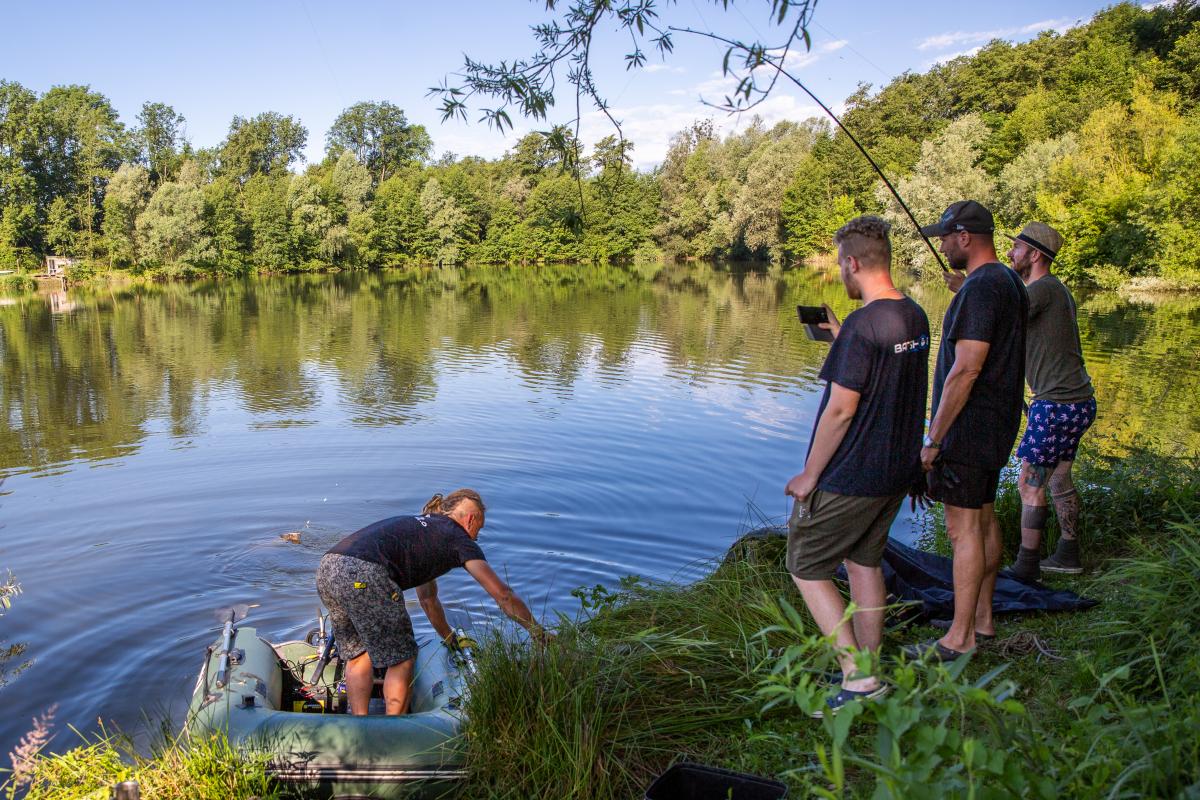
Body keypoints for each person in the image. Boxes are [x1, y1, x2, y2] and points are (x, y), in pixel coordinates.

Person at [784, 215, 930, 715]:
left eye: (840, 267)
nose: (840, 278)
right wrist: (842, 338)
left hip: (853, 474)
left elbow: (842, 409)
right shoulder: (913, 316)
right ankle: (869, 661)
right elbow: (883, 366)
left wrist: (809, 476)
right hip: (896, 470)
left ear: (851, 263)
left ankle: (858, 680)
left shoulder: (863, 330)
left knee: (804, 565)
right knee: (864, 561)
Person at [903, 200, 1027, 662]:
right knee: (985, 518)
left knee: (963, 531)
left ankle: (959, 638)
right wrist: (964, 290)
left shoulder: (981, 289)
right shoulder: (1005, 281)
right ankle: (982, 618)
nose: (941, 244)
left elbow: (967, 369)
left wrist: (933, 439)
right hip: (995, 426)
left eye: (944, 237)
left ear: (965, 237)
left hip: (968, 429)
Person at [316, 489, 548, 715]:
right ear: (471, 519)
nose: (477, 536)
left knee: (358, 655)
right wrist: (537, 631)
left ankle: (360, 725)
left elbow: (427, 598)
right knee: (402, 658)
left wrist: (449, 637)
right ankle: (390, 731)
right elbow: (503, 595)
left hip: (329, 567)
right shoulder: (459, 539)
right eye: (480, 528)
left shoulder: (424, 530)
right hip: (365, 572)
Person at [1005, 222, 1096, 581]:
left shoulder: (1041, 290)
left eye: (1015, 248)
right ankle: (1068, 553)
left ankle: (1027, 567)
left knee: (1030, 482)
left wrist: (967, 289)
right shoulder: (1056, 290)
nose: (1010, 253)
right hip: (1077, 401)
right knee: (1058, 479)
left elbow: (998, 318)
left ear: (1034, 254)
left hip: (1057, 405)